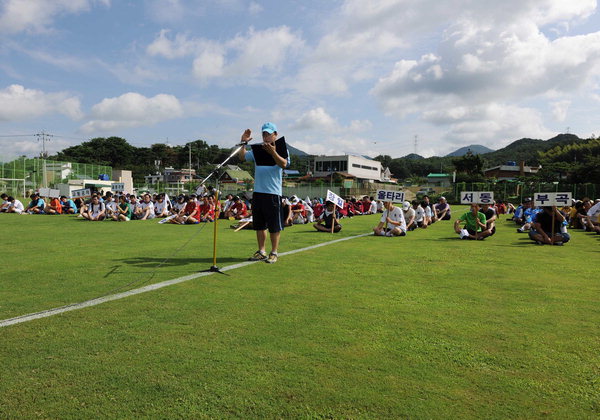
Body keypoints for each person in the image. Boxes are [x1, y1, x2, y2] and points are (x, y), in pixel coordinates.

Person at [237, 122, 289, 264]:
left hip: (273, 193)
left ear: (275, 134)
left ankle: (274, 252)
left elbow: (284, 164)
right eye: (264, 134)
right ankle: (261, 251)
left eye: (268, 134)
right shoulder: (257, 150)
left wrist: (273, 152)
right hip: (258, 192)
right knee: (259, 225)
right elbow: (242, 157)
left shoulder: (282, 149)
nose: (266, 137)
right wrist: (243, 142)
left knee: (274, 226)